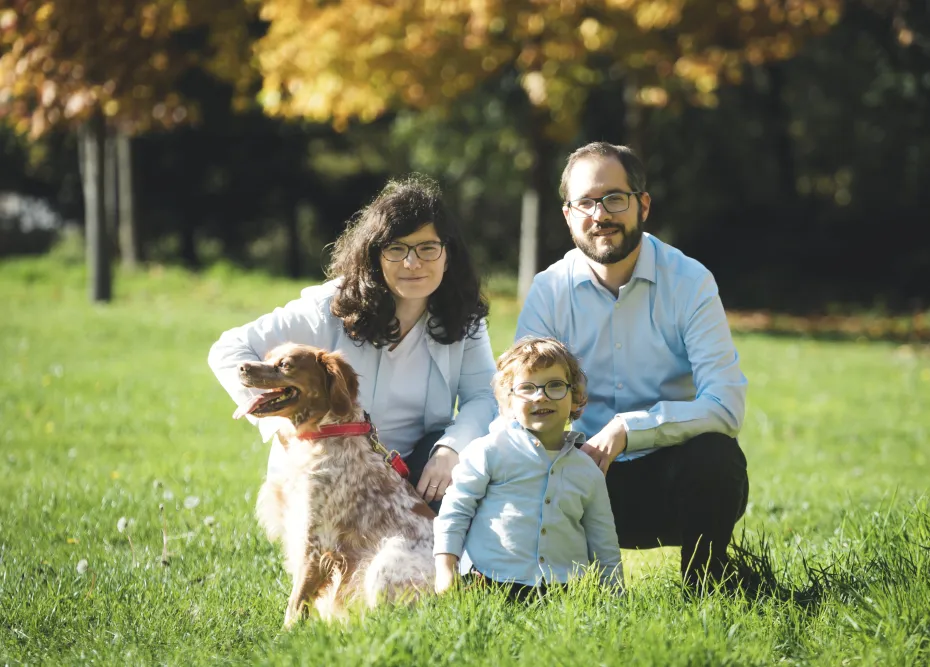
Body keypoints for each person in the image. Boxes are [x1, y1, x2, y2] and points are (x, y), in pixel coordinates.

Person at [515, 142, 749, 587]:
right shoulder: (549, 290)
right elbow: (517, 401)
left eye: (614, 199)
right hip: (579, 477)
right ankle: (540, 584)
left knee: (717, 457)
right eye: (585, 202)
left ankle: (707, 587)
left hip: (675, 480)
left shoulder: (691, 282)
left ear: (642, 205)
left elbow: (726, 406)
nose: (599, 214)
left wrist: (629, 429)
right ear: (568, 215)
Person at [208, 175, 497, 509]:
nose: (412, 262)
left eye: (428, 248)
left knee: (480, 470)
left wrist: (451, 449)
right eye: (396, 248)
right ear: (375, 255)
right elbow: (228, 350)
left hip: (416, 469)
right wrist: (281, 422)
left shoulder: (463, 315)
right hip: (326, 468)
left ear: (449, 254)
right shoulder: (327, 307)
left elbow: (483, 395)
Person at [434, 337, 622, 600]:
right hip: (489, 581)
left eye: (555, 386)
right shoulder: (489, 451)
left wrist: (614, 593)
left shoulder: (587, 470)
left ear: (575, 397)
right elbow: (455, 511)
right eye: (527, 388)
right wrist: (446, 569)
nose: (541, 396)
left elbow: (603, 539)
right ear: (508, 401)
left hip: (562, 589)